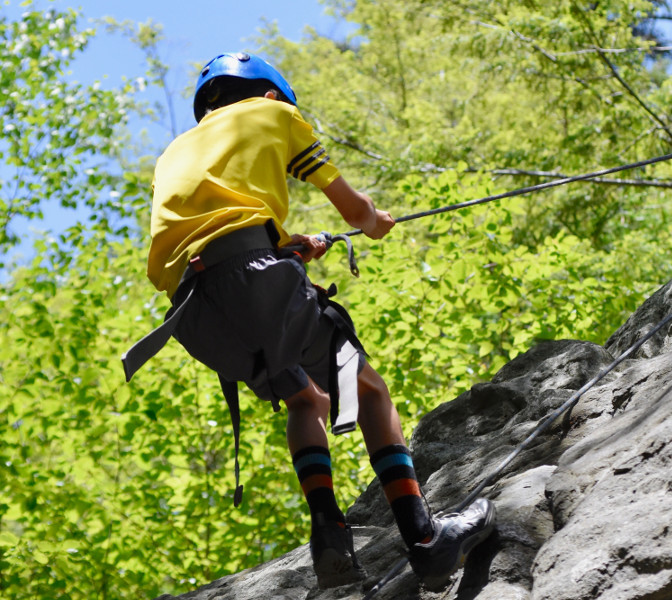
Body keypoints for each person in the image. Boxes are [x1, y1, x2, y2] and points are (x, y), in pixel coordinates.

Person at [137, 52, 495, 590]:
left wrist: (286, 245)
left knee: (307, 398)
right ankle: (427, 540)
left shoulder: (174, 151)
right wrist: (374, 223)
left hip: (193, 313)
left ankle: (329, 537)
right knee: (369, 389)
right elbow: (355, 211)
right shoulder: (277, 114)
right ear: (271, 93)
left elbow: (212, 232)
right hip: (254, 275)